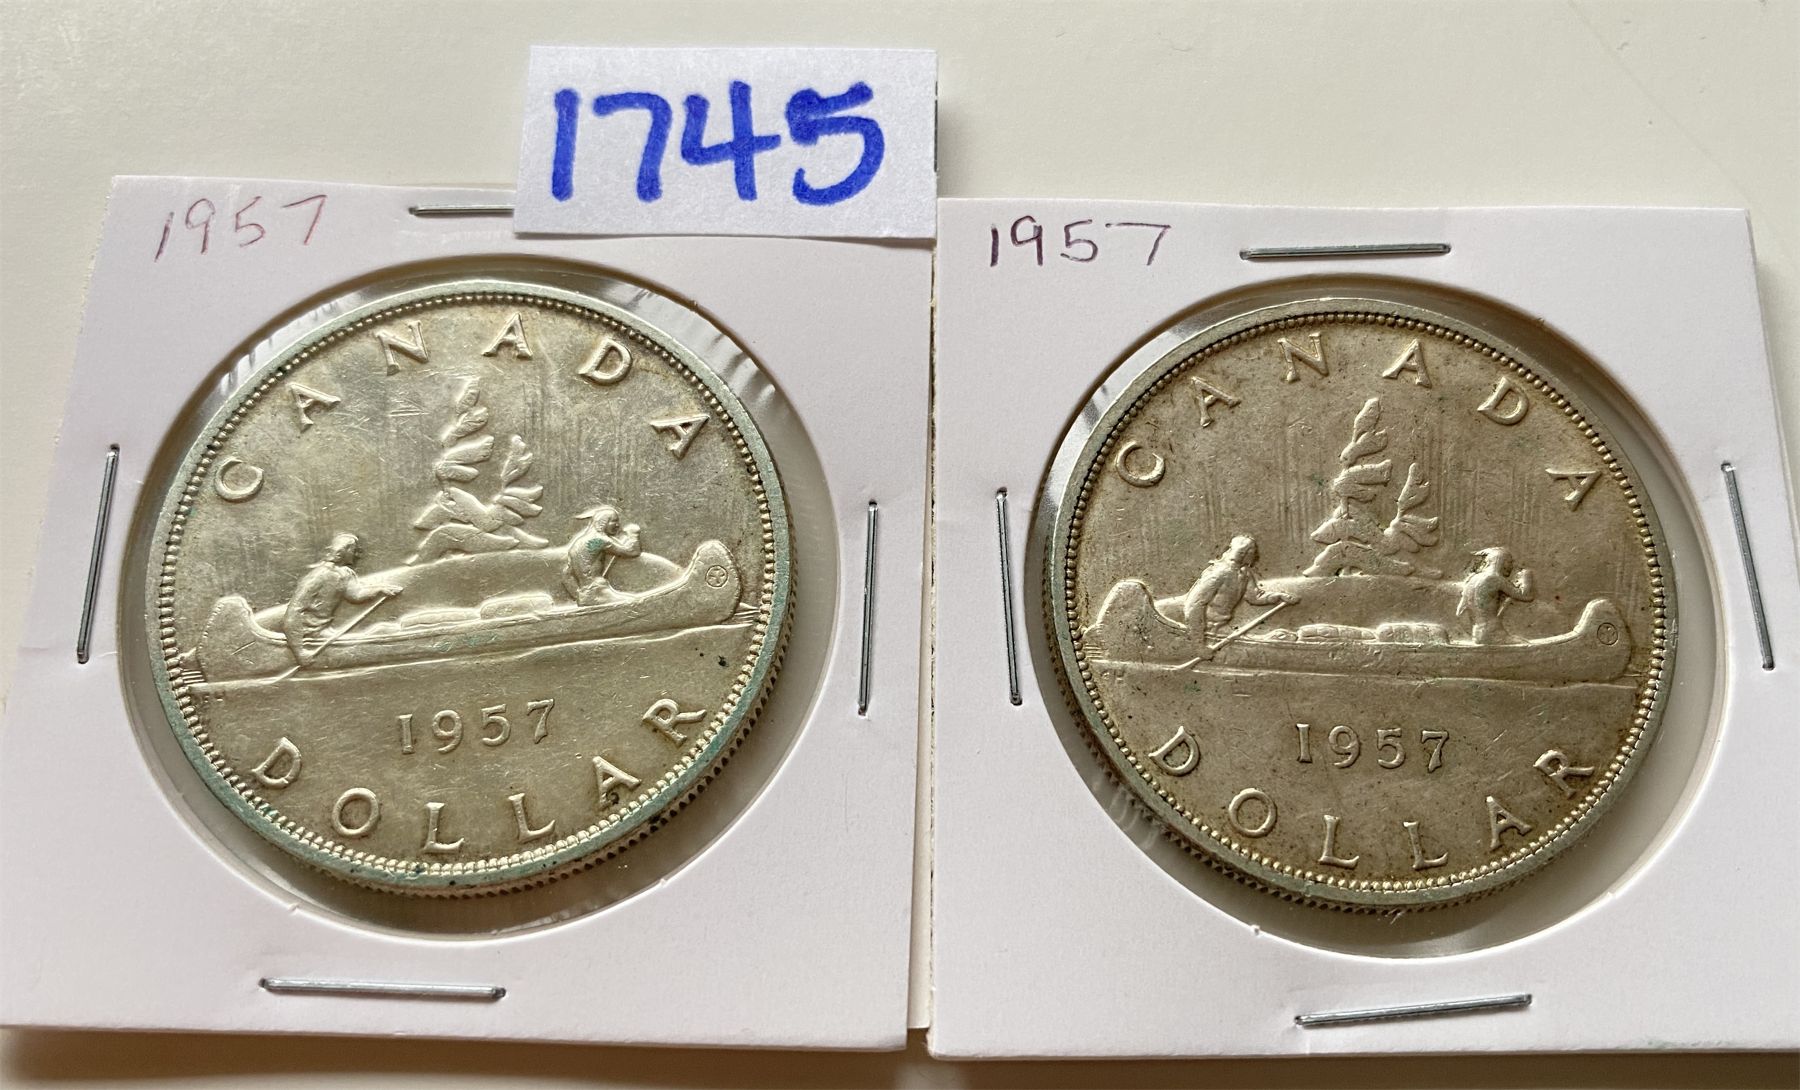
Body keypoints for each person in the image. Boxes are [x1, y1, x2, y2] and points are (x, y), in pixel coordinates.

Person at [281, 533, 402, 664]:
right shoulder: (318, 576)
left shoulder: (345, 573)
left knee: (378, 631)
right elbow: (294, 612)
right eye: (354, 550)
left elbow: (356, 594)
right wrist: (299, 652)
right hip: (307, 634)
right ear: (342, 551)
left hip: (324, 631)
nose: (357, 555)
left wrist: (380, 589)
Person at [1182, 534, 1296, 646]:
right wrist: (1198, 642)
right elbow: (1194, 605)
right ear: (1242, 553)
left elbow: (1254, 597)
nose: (1255, 555)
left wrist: (1279, 596)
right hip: (1207, 630)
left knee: (1281, 636)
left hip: (1223, 627)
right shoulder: (1219, 573)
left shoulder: (1244, 573)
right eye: (1253, 551)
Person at [563, 504, 642, 605]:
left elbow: (566, 575)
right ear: (603, 522)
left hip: (586, 593)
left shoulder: (578, 543)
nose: (618, 525)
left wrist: (580, 595)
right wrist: (633, 534)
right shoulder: (599, 540)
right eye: (614, 521)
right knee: (635, 603)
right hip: (598, 591)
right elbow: (632, 552)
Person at [1456, 546, 1536, 644]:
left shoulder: (1472, 580)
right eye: (1510, 562)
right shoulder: (1495, 578)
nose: (1512, 566)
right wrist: (1527, 578)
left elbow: (1460, 613)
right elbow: (1527, 596)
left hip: (1476, 634)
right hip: (1494, 633)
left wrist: (1475, 633)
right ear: (1502, 562)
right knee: (1525, 644)